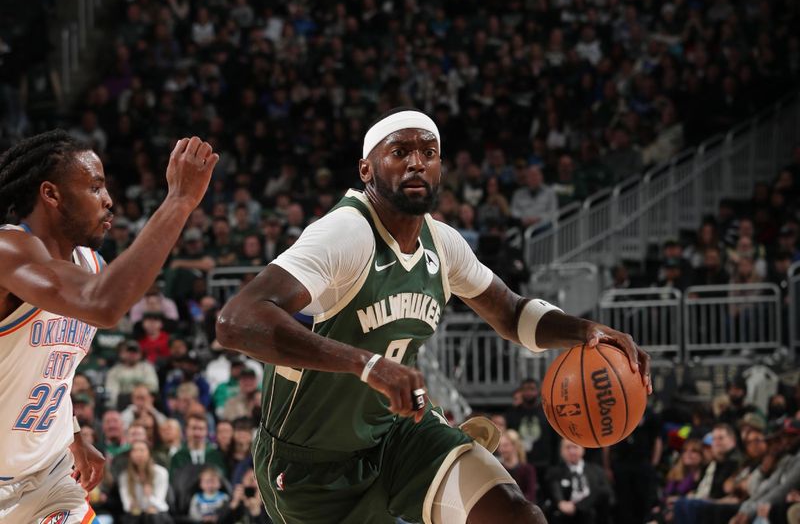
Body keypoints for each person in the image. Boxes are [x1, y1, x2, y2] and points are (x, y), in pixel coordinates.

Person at [217, 108, 650, 524]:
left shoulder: (442, 243)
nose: (417, 163)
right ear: (366, 170)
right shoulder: (346, 233)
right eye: (400, 152)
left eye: (429, 153)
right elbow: (236, 321)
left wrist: (584, 330)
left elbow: (513, 314)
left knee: (517, 514)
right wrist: (367, 365)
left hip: (396, 437)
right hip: (311, 465)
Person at [0, 131, 217, 523]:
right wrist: (179, 201)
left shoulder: (91, 266)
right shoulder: (8, 252)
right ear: (51, 194)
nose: (108, 200)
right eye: (95, 187)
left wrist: (74, 435)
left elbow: (51, 368)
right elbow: (104, 305)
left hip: (48, 472)